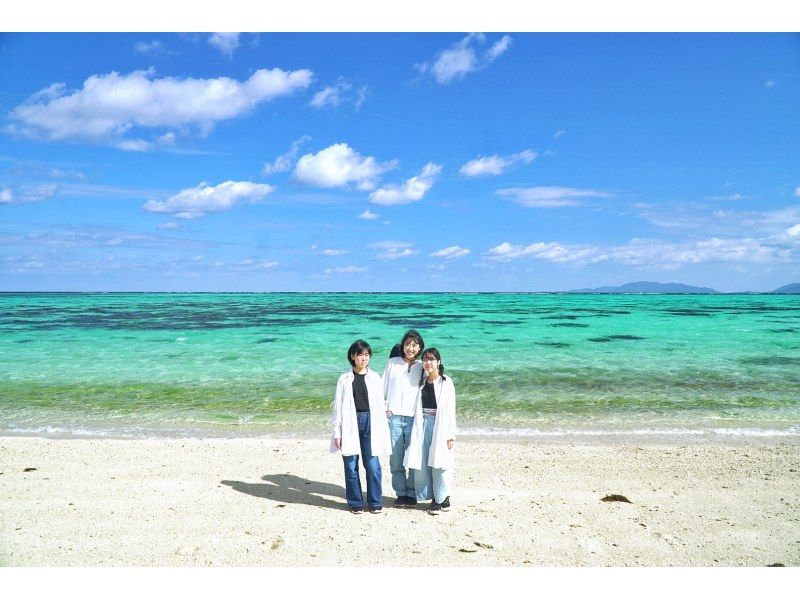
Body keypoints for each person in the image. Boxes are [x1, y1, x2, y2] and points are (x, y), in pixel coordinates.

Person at [330, 339, 391, 514]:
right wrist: (337, 432)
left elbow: (380, 406)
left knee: (373, 465)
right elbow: (338, 407)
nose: (364, 358)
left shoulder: (375, 377)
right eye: (360, 355)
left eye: (366, 355)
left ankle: (375, 501)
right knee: (350, 465)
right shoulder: (344, 379)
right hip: (350, 421)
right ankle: (355, 502)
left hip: (371, 422)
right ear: (352, 356)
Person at [404, 347, 456, 515]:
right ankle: (433, 496)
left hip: (440, 425)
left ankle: (442, 498)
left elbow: (451, 410)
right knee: (424, 461)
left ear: (438, 362)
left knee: (440, 463)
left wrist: (450, 434)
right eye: (425, 359)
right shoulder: (422, 382)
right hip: (423, 423)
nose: (427, 362)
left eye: (431, 359)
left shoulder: (446, 382)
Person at [382, 329, 424, 507]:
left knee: (414, 458)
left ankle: (412, 492)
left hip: (415, 419)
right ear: (403, 345)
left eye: (414, 345)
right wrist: (383, 411)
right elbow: (382, 389)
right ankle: (400, 493)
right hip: (394, 418)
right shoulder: (393, 363)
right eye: (407, 344)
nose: (410, 348)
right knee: (396, 459)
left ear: (420, 347)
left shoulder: (423, 365)